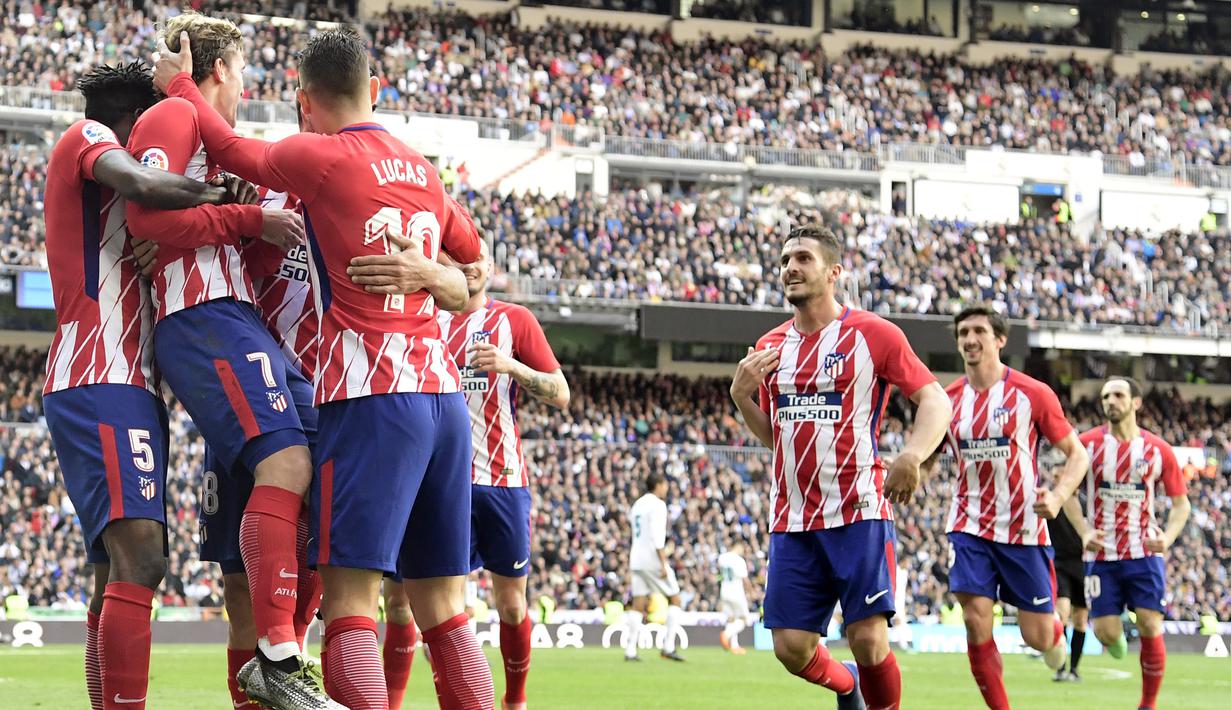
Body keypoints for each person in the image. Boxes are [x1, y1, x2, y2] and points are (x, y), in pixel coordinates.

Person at [153, 27, 491, 709]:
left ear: (304, 102)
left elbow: (229, 146)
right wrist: (434, 275)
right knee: (444, 609)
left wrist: (180, 85)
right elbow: (475, 276)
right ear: (376, 89)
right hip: (438, 397)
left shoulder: (317, 158)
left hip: (364, 397)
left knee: (349, 603)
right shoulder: (422, 172)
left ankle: (285, 665)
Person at [127, 15, 329, 708]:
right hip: (205, 318)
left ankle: (285, 651)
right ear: (219, 70)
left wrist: (247, 224)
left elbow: (225, 225)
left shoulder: (219, 155)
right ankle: (279, 658)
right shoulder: (173, 116)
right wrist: (246, 219)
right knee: (289, 468)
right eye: (242, 73)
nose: (245, 87)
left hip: (238, 320)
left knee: (325, 468)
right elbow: (148, 218)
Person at [41, 60, 231, 710]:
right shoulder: (87, 137)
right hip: (100, 374)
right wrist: (216, 195)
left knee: (114, 573)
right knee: (144, 561)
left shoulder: (124, 214)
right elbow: (142, 178)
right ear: (133, 120)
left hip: (126, 384)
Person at [730, 224, 953, 710]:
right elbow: (778, 438)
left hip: (859, 510)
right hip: (793, 519)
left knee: (868, 639)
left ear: (833, 272)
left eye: (803, 258)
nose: (790, 268)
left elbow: (936, 400)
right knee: (791, 648)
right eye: (785, 259)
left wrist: (912, 454)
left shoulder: (874, 334)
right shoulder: (770, 346)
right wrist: (741, 397)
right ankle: (847, 685)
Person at [424, 236, 569, 710]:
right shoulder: (430, 321)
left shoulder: (514, 320)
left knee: (511, 604)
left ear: (489, 266)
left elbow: (561, 393)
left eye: (476, 258)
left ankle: (515, 701)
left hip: (504, 482)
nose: (468, 266)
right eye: (457, 259)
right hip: (446, 486)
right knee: (446, 606)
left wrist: (511, 366)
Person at [927, 305, 1090, 710]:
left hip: (1023, 530)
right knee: (975, 618)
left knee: (1038, 637)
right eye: (963, 332)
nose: (969, 339)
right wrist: (907, 472)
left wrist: (1057, 496)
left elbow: (1078, 454)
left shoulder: (1032, 394)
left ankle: (1055, 638)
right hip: (969, 525)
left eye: (979, 331)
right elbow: (926, 458)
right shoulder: (945, 401)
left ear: (1000, 340)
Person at [1064, 377, 1191, 710]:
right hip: (1101, 555)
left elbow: (1181, 505)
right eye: (1106, 396)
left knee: (1150, 622)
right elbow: (1067, 494)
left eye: (1118, 395)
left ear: (1136, 402)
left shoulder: (1157, 450)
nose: (1111, 401)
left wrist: (1167, 538)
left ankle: (1147, 704)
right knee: (1105, 633)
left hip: (1143, 552)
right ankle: (1115, 636)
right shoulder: (1086, 445)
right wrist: (1084, 532)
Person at [623, 473, 687, 663]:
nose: (666, 488)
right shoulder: (658, 505)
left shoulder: (637, 504)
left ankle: (630, 650)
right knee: (675, 599)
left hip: (636, 558)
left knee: (638, 603)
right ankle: (668, 647)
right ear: (658, 485)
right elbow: (657, 536)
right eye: (665, 485)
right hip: (652, 559)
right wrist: (663, 562)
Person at [1048, 507, 1088, 682]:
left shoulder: (1085, 502)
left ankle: (1074, 669)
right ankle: (1060, 666)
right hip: (1059, 563)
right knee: (1062, 614)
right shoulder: (1054, 502)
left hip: (1083, 564)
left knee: (1080, 619)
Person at [717, 540, 756, 655]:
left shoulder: (722, 557)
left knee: (731, 618)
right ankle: (726, 634)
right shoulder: (739, 560)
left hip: (724, 591)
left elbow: (720, 573)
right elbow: (745, 579)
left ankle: (734, 646)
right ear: (737, 546)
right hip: (736, 592)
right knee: (743, 619)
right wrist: (751, 591)